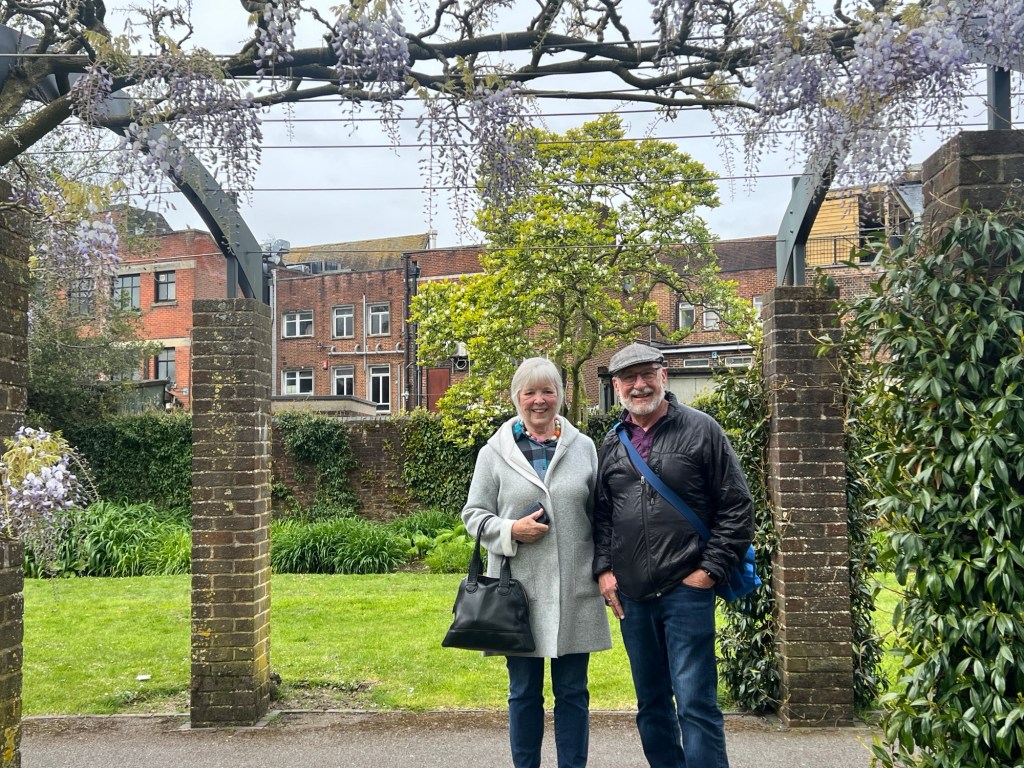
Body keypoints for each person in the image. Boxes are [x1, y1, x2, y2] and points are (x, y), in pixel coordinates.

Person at [593, 342, 754, 768]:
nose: (639, 385)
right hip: (632, 597)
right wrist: (604, 570)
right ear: (616, 387)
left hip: (687, 591)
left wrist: (708, 572)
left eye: (647, 374)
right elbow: (603, 516)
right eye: (629, 378)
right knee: (651, 705)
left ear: (663, 376)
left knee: (696, 704)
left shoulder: (702, 430)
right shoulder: (612, 443)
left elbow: (738, 507)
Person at [462, 357, 612, 768]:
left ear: (561, 396)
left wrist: (605, 568)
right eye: (530, 392)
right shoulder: (494, 453)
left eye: (548, 391)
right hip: (517, 593)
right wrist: (511, 529)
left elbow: (602, 515)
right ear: (517, 398)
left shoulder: (584, 448)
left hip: (573, 589)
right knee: (524, 693)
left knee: (573, 693)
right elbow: (473, 515)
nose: (539, 400)